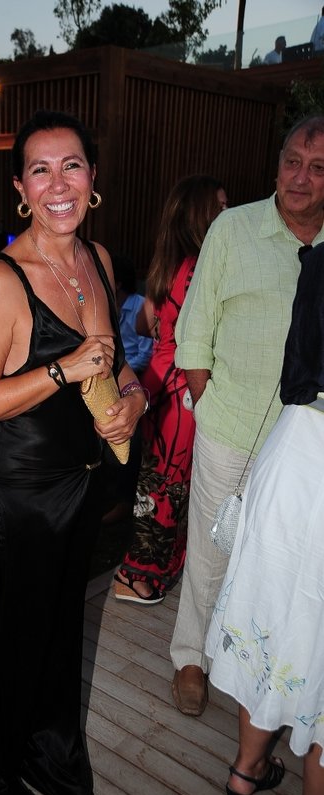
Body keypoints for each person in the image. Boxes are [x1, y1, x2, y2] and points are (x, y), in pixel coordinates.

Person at [0, 109, 147, 795]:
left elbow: (115, 365)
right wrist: (62, 370)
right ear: (20, 188)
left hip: (82, 481)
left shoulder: (97, 259)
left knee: (63, 624)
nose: (58, 183)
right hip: (22, 493)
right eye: (41, 169)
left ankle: (48, 746)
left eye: (71, 166)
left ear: (93, 178)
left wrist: (132, 400)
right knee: (22, 634)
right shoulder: (1, 282)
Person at [170, 114, 324, 719]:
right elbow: (194, 330)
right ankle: (191, 658)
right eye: (292, 162)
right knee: (212, 552)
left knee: (284, 561)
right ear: (277, 164)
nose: (300, 178)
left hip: (307, 440)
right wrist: (208, 404)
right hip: (231, 426)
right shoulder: (233, 229)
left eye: (318, 169)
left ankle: (260, 668)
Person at [205, 241, 324, 795]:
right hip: (306, 457)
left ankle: (246, 770)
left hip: (296, 447)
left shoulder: (320, 261)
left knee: (276, 619)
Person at [114, 175, 227, 604]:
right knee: (168, 485)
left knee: (157, 482)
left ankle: (148, 569)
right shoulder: (199, 266)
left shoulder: (170, 264)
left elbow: (142, 323)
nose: (228, 213)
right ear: (201, 214)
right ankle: (135, 575)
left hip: (158, 384)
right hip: (181, 389)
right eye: (220, 206)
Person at [101, 253, 153, 525]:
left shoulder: (140, 305)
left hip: (137, 380)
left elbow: (147, 353)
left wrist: (120, 372)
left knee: (130, 441)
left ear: (117, 282)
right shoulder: (106, 306)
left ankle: (125, 501)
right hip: (112, 374)